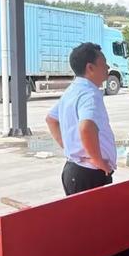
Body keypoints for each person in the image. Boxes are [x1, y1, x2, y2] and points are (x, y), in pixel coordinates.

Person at [45, 42, 116, 195]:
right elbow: (86, 127)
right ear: (90, 68)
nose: (108, 67)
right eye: (104, 63)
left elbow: (51, 119)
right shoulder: (89, 94)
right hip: (89, 173)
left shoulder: (73, 90)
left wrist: (69, 148)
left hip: (76, 170)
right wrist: (97, 160)